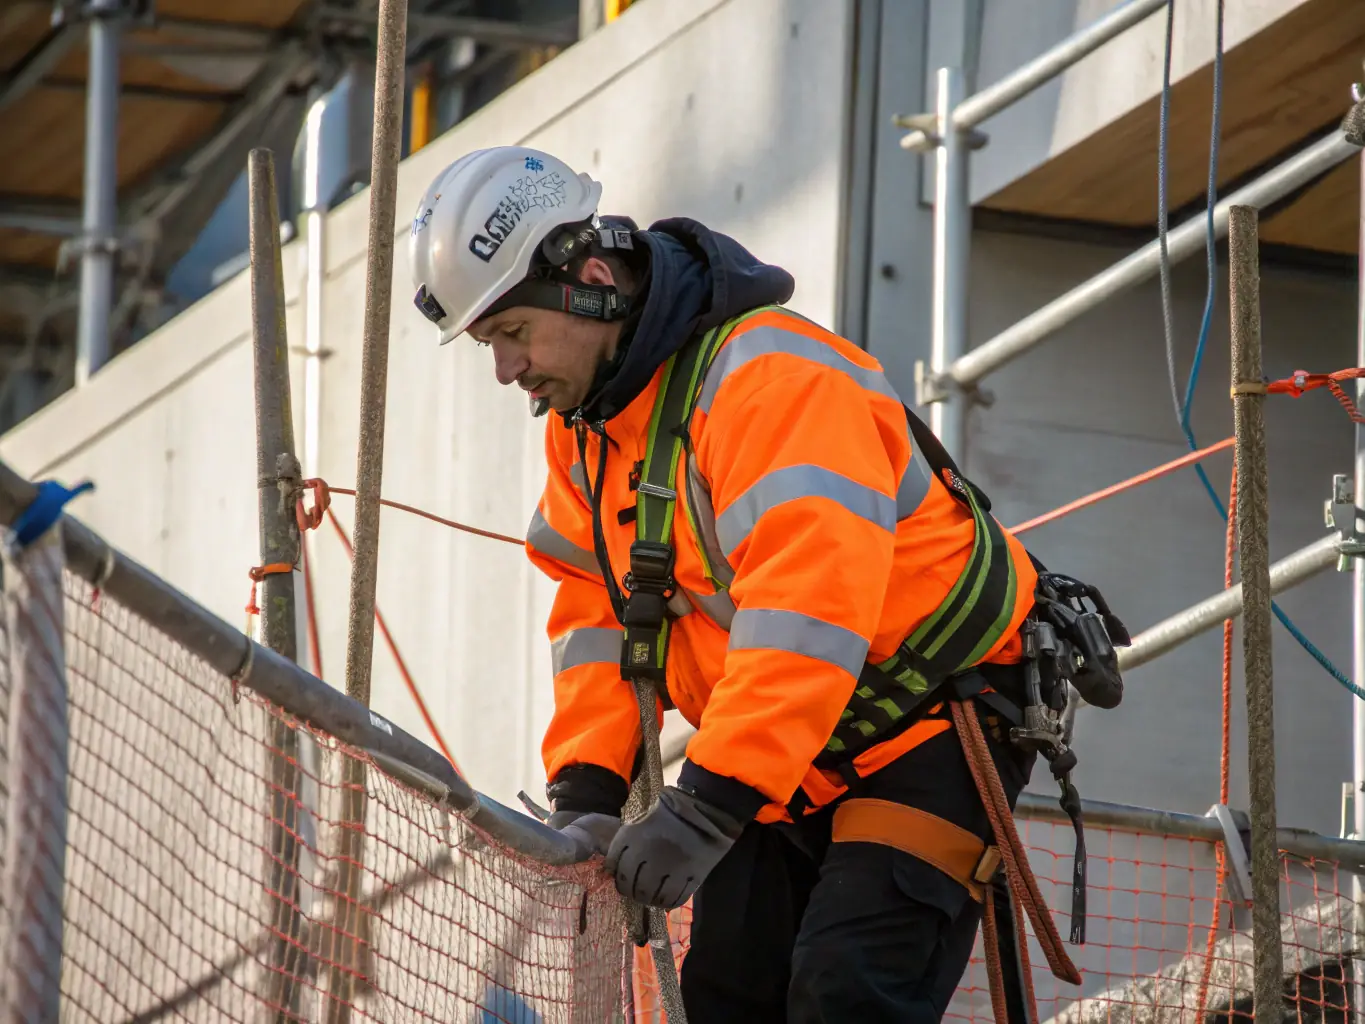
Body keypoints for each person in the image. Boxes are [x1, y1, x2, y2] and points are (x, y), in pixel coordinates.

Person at [407, 145, 1125, 1023]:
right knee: (727, 997)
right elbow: (596, 615)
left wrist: (706, 806)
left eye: (511, 333)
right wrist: (587, 792)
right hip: (787, 753)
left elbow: (808, 611)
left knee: (845, 994)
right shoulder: (589, 430)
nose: (506, 371)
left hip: (930, 722)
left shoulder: (772, 382)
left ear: (589, 277)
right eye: (489, 345)